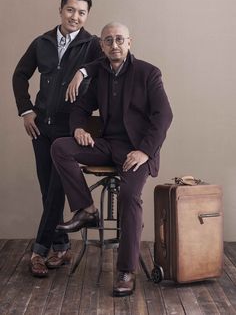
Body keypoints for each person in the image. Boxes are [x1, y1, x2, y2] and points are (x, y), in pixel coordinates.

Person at [51, 22, 173, 297]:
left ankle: (125, 270)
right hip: (107, 145)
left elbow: (164, 116)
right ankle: (86, 209)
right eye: (108, 41)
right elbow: (81, 107)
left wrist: (144, 151)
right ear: (102, 46)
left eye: (119, 39)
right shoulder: (102, 74)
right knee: (61, 147)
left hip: (136, 152)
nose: (114, 45)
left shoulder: (148, 73)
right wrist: (79, 128)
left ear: (130, 42)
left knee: (130, 196)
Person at [12, 0, 103, 277]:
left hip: (69, 131)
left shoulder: (93, 45)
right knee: (47, 189)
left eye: (81, 12)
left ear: (87, 15)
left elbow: (117, 58)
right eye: (70, 10)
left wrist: (83, 72)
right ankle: (62, 247)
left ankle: (39, 251)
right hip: (41, 128)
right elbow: (20, 75)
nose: (75, 16)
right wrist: (26, 111)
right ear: (61, 10)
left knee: (54, 190)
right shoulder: (43, 42)